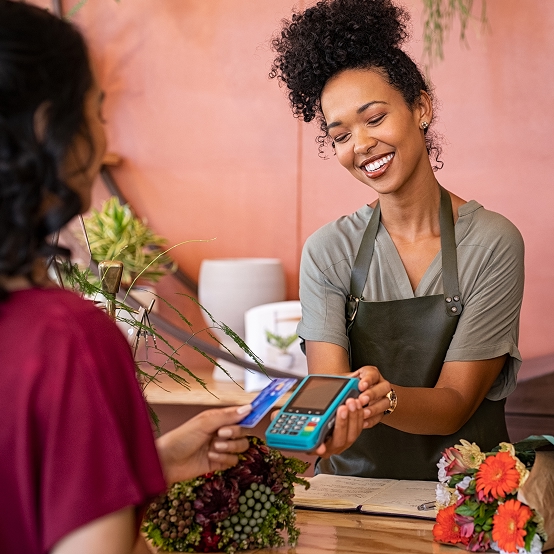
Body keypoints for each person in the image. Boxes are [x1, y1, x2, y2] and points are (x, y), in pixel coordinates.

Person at [0, 3, 257, 553]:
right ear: (50, 127)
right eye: (97, 110)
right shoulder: (69, 339)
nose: (102, 132)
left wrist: (146, 465)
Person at [269, 0, 524, 480]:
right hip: (353, 503)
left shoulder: (493, 242)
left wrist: (381, 397)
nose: (360, 144)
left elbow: (455, 403)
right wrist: (331, 419)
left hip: (467, 501)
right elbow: (327, 392)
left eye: (375, 118)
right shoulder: (328, 251)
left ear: (421, 107)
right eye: (339, 135)